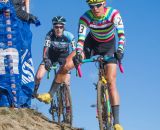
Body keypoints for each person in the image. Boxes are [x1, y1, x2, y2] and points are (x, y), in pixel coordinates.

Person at [37, 1, 125, 130]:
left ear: (104, 3)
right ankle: (50, 94)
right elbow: (81, 39)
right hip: (91, 44)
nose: (95, 9)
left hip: (109, 47)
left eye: (98, 5)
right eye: (91, 6)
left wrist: (120, 49)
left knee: (111, 82)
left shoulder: (113, 14)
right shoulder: (85, 17)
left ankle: (116, 122)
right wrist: (78, 53)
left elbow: (121, 34)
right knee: (67, 64)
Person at [33, 16, 76, 105]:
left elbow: (75, 50)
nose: (59, 29)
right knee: (38, 76)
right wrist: (46, 59)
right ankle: (34, 91)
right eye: (56, 27)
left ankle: (68, 112)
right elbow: (45, 49)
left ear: (64, 27)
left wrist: (75, 60)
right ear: (53, 27)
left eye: (61, 27)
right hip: (51, 57)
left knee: (67, 83)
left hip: (64, 57)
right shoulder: (49, 35)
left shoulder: (69, 36)